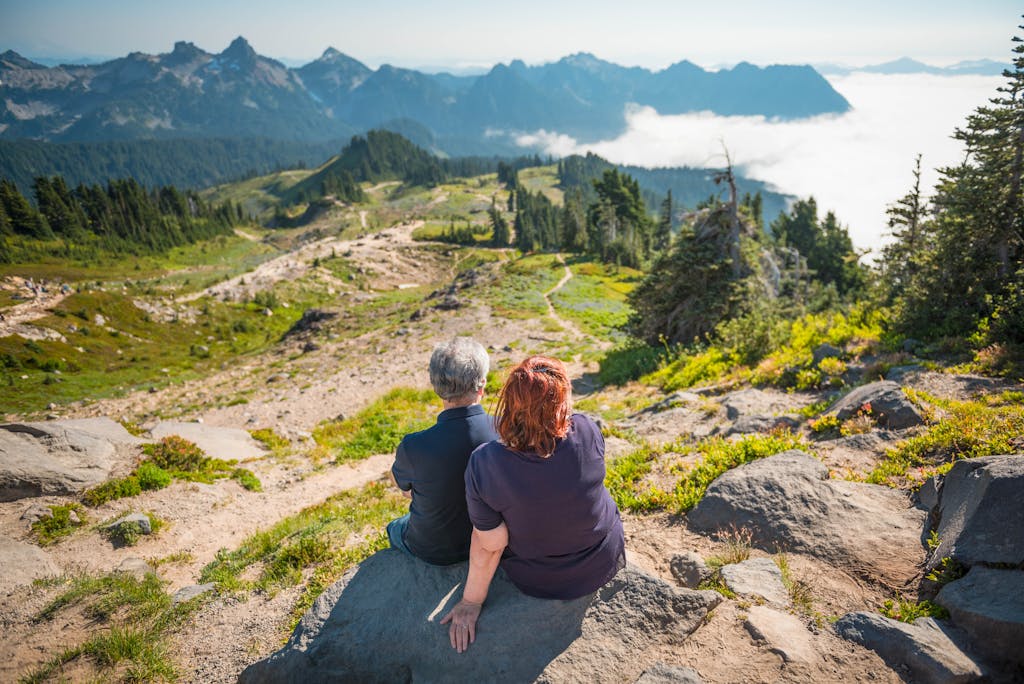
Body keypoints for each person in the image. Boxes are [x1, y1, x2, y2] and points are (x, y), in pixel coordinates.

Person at [441, 355, 625, 652]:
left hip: (541, 579)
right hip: (602, 559)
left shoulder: (486, 462)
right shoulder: (587, 429)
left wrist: (470, 601)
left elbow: (491, 544)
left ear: (510, 404)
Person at [388, 337, 498, 565]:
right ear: (482, 385)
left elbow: (402, 487)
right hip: (493, 541)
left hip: (435, 552)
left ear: (436, 386)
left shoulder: (414, 446)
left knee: (394, 527)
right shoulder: (505, 429)